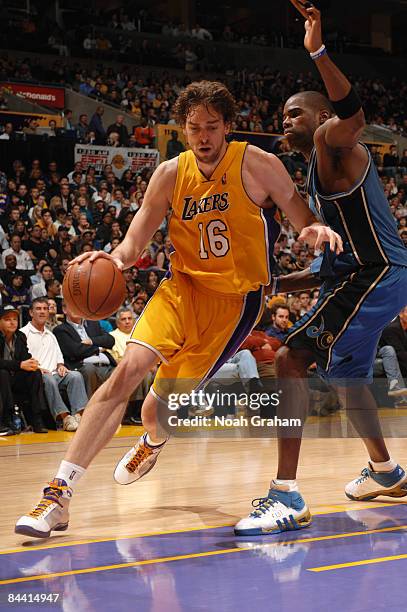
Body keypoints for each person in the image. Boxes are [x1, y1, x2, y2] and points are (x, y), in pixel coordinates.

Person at [15, 79, 341, 538]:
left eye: (212, 126)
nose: (203, 136)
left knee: (154, 413)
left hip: (234, 304)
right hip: (180, 289)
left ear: (228, 125)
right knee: (126, 370)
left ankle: (154, 437)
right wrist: (114, 259)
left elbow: (296, 207)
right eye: (194, 128)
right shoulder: (170, 173)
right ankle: (58, 496)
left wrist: (310, 228)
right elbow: (135, 238)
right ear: (183, 130)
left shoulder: (257, 164)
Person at [234, 2, 407, 537]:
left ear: (319, 116)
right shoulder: (314, 172)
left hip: (377, 273)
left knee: (289, 360)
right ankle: (386, 470)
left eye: (295, 113)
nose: (286, 121)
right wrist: (271, 283)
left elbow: (353, 117)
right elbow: (325, 268)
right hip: (369, 275)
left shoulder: (333, 142)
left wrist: (319, 53)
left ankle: (285, 494)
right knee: (348, 379)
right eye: (283, 116)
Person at [21, 298, 88, 432]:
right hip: (36, 375)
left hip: (55, 373)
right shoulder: (23, 333)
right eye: (38, 309)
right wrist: (38, 369)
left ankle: (79, 416)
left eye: (45, 309)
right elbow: (23, 359)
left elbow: (59, 356)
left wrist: (61, 365)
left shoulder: (51, 334)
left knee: (75, 375)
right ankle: (65, 418)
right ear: (31, 312)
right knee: (49, 378)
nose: (42, 312)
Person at [0, 304, 48, 434]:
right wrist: (20, 365)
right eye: (7, 319)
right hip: (2, 378)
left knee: (35, 373)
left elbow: (25, 357)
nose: (12, 322)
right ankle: (5, 420)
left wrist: (33, 364)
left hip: (14, 378)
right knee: (2, 373)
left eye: (15, 319)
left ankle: (36, 420)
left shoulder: (20, 336)